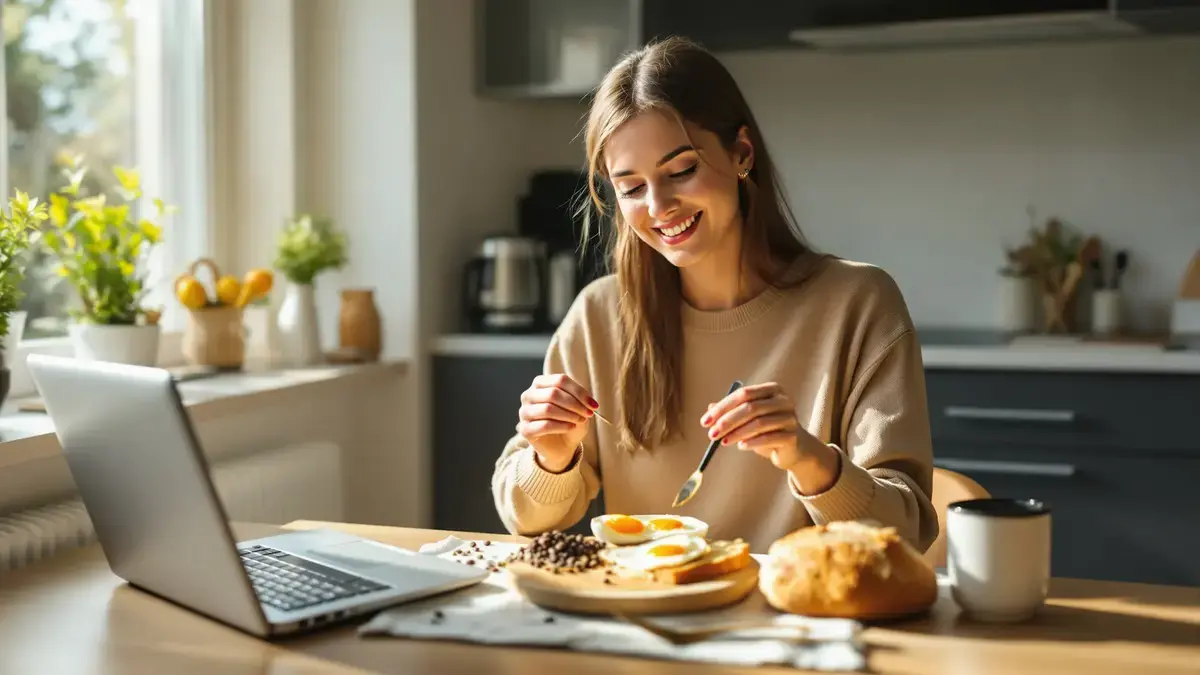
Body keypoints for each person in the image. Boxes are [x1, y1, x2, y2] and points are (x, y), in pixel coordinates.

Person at [491, 36, 938, 554]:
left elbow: (906, 532)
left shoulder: (858, 304)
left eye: (682, 170)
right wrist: (550, 458)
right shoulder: (598, 315)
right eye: (631, 188)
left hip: (797, 603)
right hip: (646, 604)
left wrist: (807, 458)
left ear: (741, 153)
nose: (658, 206)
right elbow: (524, 519)